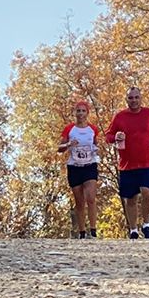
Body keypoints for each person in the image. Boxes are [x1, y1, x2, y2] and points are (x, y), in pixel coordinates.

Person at [104, 86, 149, 239]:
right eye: (131, 98)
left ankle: (147, 224)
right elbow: (108, 136)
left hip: (147, 162)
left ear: (141, 98)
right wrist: (115, 136)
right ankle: (133, 230)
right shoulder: (120, 117)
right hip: (127, 163)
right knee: (131, 198)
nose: (134, 100)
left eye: (136, 97)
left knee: (147, 192)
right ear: (126, 99)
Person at [57, 100, 102, 238]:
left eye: (83, 111)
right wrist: (69, 143)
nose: (81, 113)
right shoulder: (69, 129)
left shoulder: (93, 129)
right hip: (74, 167)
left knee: (91, 198)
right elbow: (59, 149)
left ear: (87, 113)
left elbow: (96, 145)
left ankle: (93, 231)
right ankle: (82, 232)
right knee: (79, 201)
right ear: (75, 113)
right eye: (78, 111)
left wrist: (97, 151)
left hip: (90, 166)